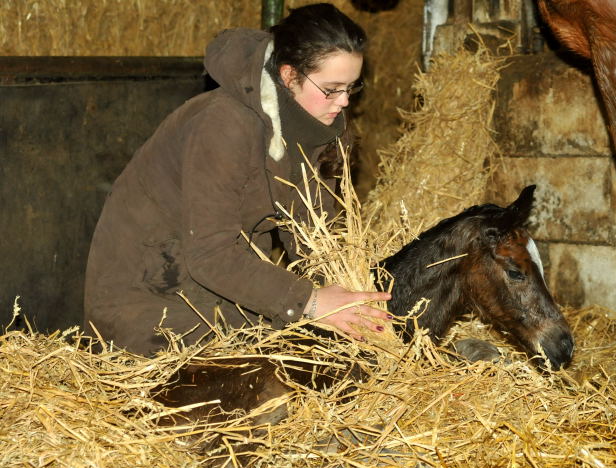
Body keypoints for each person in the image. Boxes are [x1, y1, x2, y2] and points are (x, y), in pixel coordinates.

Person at [84, 3, 391, 356]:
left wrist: (350, 294)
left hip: (222, 290)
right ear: (289, 75)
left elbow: (315, 233)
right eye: (332, 88)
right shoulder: (224, 126)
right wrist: (308, 302)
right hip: (153, 296)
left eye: (352, 87)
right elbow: (210, 254)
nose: (344, 101)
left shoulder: (319, 125)